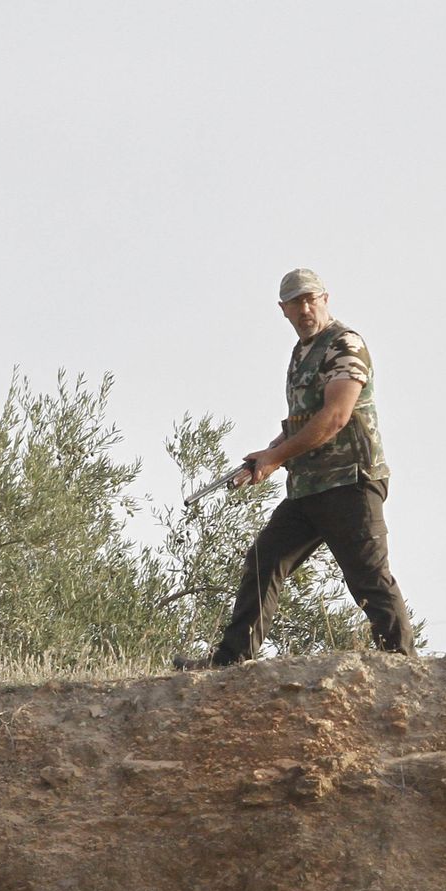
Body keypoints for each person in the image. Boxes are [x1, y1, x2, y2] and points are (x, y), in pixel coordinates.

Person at [182, 268, 415, 667]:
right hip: (309, 487)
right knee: (265, 561)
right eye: (295, 303)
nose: (305, 309)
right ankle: (229, 663)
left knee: (368, 579)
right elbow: (304, 422)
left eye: (310, 299)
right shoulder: (301, 354)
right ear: (283, 310)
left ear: (325, 299)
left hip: (350, 481)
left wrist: (276, 457)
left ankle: (406, 667)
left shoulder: (344, 344)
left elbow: (335, 417)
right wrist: (268, 457)